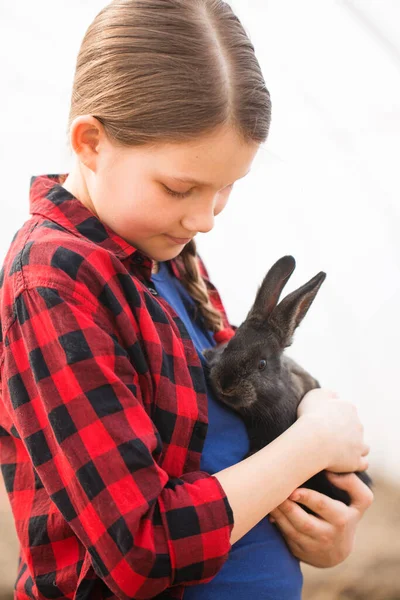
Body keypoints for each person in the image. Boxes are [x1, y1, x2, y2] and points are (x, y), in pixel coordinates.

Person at [0, 1, 373, 599]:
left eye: (226, 189)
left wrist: (324, 531)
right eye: (181, 187)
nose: (204, 218)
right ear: (91, 142)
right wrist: (310, 446)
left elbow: (228, 457)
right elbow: (139, 550)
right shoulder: (54, 280)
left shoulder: (162, 255)